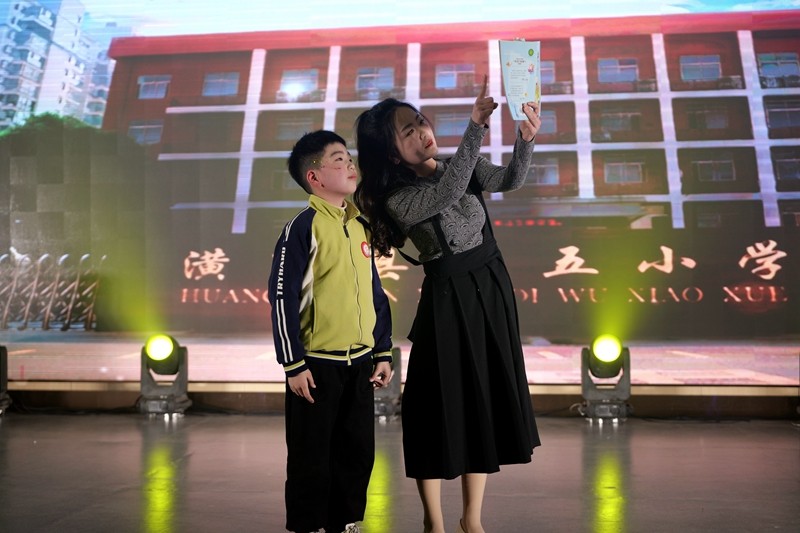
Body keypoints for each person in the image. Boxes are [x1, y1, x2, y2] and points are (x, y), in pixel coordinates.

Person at [353, 76, 542, 533]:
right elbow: (448, 193)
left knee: (483, 401)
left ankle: (471, 519)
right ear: (391, 153)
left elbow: (510, 179)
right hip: (447, 300)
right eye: (409, 131)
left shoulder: (455, 164)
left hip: (491, 288)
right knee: (437, 407)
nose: (423, 132)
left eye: (421, 122)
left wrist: (525, 139)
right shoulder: (399, 198)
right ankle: (433, 522)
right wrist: (475, 126)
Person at [268, 130, 394, 533]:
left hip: (360, 364)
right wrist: (292, 364)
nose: (350, 165)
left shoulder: (359, 226)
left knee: (357, 452)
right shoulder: (302, 228)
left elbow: (374, 292)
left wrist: (383, 351)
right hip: (316, 367)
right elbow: (282, 297)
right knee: (311, 456)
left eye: (349, 158)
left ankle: (346, 522)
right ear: (314, 177)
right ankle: (308, 526)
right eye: (338, 160)